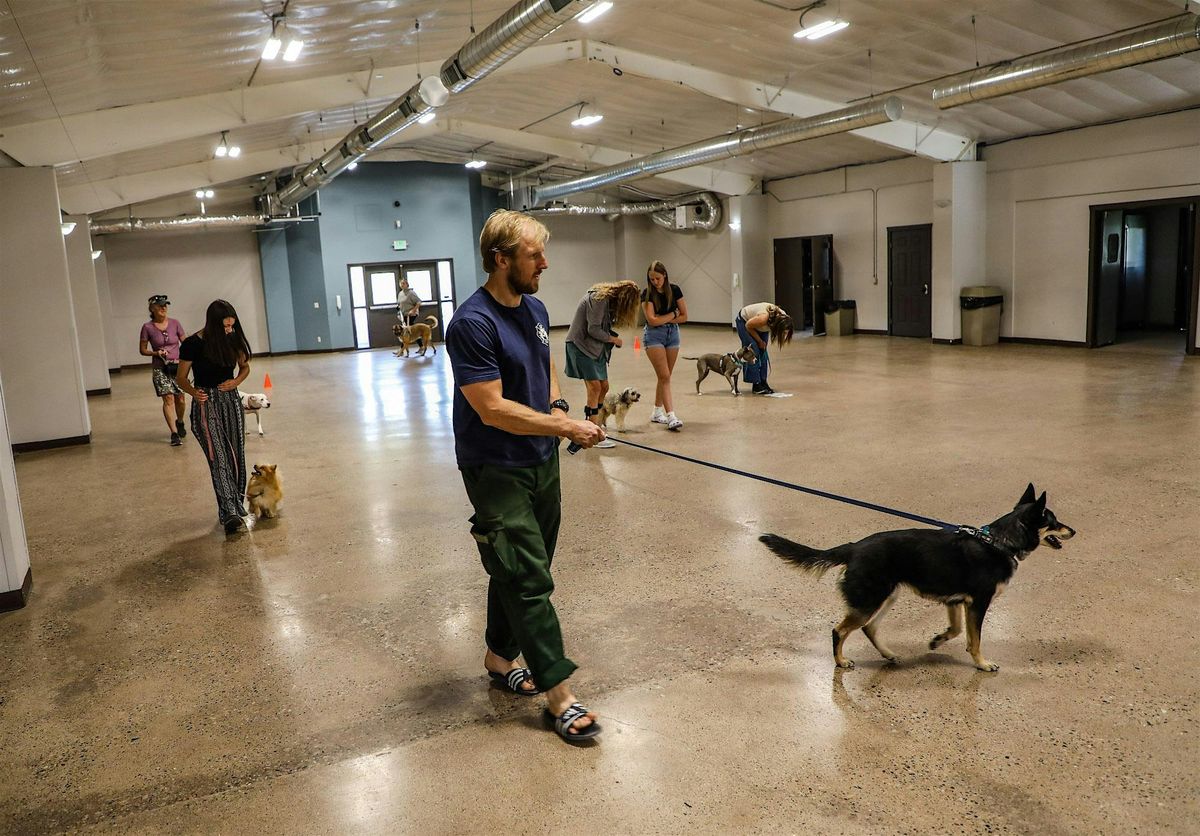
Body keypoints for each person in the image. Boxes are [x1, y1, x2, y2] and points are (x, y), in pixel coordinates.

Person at [445, 209, 606, 744]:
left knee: (515, 567)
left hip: (542, 461)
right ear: (501, 258)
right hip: (496, 467)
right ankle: (558, 694)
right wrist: (566, 426)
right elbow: (490, 408)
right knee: (527, 576)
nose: (545, 262)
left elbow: (546, 364)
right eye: (534, 254)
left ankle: (498, 655)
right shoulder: (472, 323)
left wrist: (559, 408)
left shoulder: (534, 307)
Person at [175, 300, 252, 535]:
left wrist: (236, 382)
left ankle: (236, 503)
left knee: (236, 455)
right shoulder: (192, 344)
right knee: (218, 457)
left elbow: (245, 367)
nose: (230, 330)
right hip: (206, 405)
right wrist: (192, 392)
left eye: (232, 325)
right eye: (226, 326)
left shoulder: (233, 339)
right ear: (213, 324)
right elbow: (181, 378)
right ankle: (228, 513)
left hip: (231, 402)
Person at [564, 280, 641, 449]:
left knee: (604, 387)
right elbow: (593, 329)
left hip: (595, 349)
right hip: (581, 346)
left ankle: (593, 423)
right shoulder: (599, 299)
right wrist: (614, 339)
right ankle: (594, 431)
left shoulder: (606, 302)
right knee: (595, 388)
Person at [641, 260, 687, 430]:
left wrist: (667, 318)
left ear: (664, 275)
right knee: (665, 376)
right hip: (654, 336)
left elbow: (684, 316)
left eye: (657, 278)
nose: (655, 282)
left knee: (665, 376)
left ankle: (656, 411)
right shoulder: (646, 294)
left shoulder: (675, 290)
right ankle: (671, 416)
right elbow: (652, 321)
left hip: (673, 334)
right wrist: (672, 314)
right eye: (651, 279)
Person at [138, 294, 188, 446]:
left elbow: (185, 343)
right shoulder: (147, 327)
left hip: (178, 367)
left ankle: (179, 421)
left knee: (180, 399)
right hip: (161, 368)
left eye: (165, 305)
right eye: (160, 306)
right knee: (168, 398)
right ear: (152, 309)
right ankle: (173, 433)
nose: (164, 308)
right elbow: (142, 350)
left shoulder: (175, 323)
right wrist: (156, 353)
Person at [736, 302, 795, 395]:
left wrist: (762, 343)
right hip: (745, 322)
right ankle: (756, 384)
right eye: (783, 332)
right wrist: (759, 341)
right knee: (753, 351)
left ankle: (763, 381)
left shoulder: (785, 318)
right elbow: (748, 326)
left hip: (763, 325)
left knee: (763, 351)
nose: (784, 334)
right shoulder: (763, 319)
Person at [397, 277, 424, 349]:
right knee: (412, 331)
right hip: (403, 314)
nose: (402, 285)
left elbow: (419, 302)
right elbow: (399, 304)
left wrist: (413, 310)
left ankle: (401, 350)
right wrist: (399, 312)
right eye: (401, 283)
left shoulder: (411, 293)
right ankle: (421, 346)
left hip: (411, 314)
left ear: (407, 284)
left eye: (403, 283)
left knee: (405, 330)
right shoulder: (400, 293)